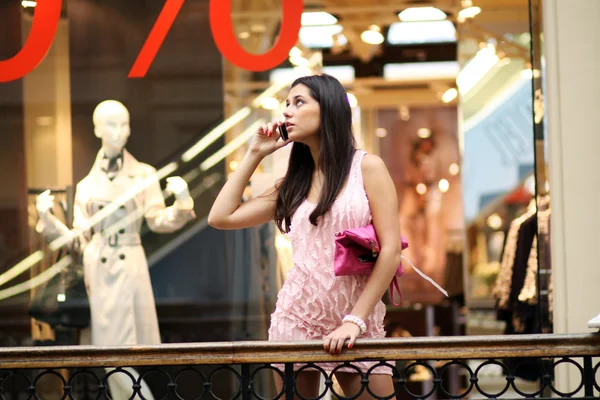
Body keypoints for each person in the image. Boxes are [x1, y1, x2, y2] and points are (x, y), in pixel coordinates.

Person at [208, 74, 402, 397]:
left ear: (327, 110)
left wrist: (355, 319)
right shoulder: (292, 184)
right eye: (286, 104)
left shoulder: (368, 168)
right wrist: (255, 153)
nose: (287, 112)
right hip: (296, 320)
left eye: (299, 102)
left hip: (358, 320)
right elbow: (220, 217)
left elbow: (391, 251)